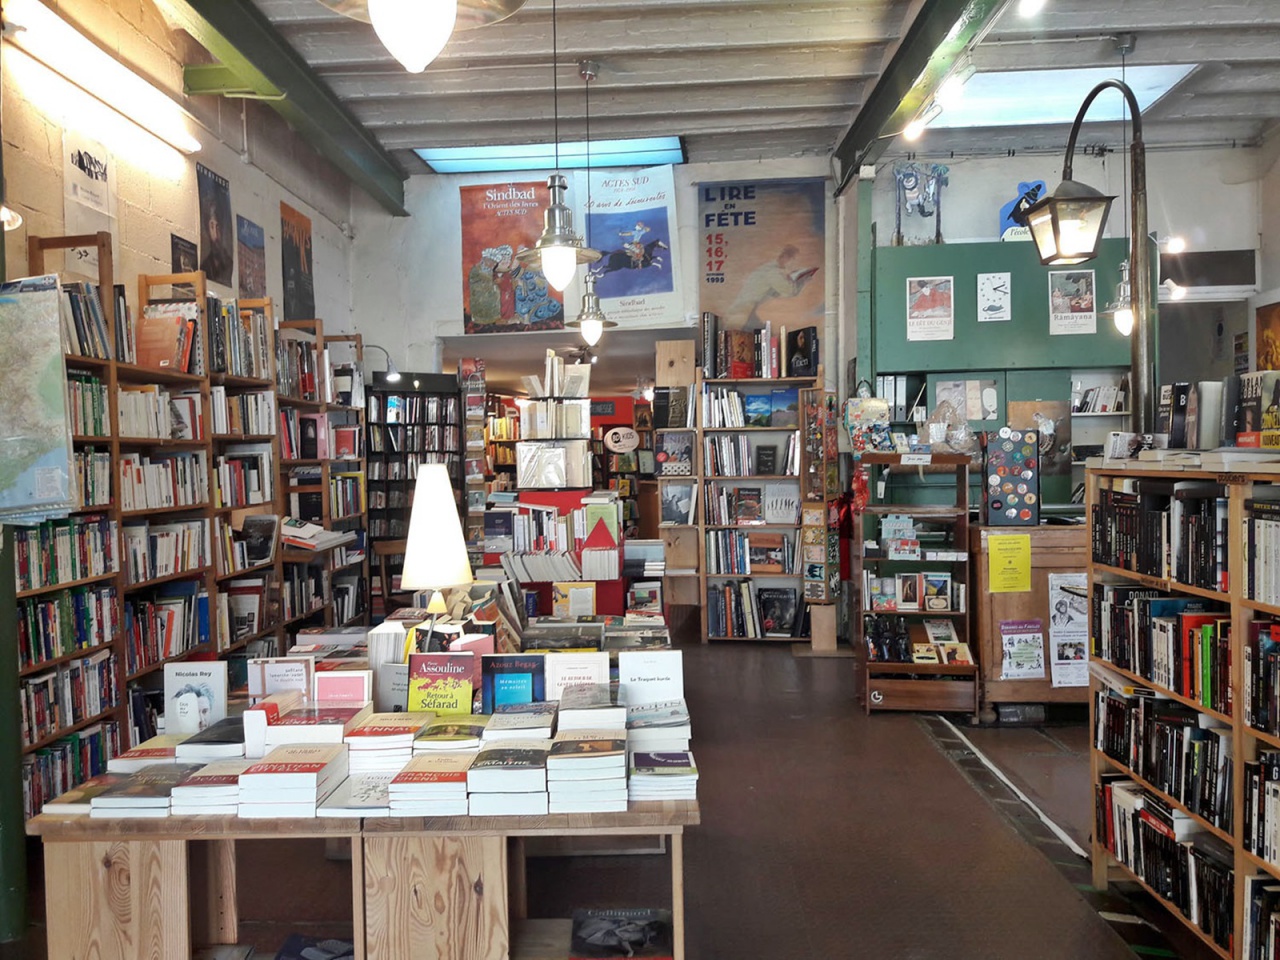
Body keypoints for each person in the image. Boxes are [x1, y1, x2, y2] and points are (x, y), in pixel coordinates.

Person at [727, 245, 817, 328]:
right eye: (793, 260)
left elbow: (777, 292)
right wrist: (802, 281)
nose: (794, 264)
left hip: (746, 310)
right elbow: (791, 292)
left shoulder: (769, 268)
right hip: (744, 312)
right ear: (786, 257)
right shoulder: (773, 272)